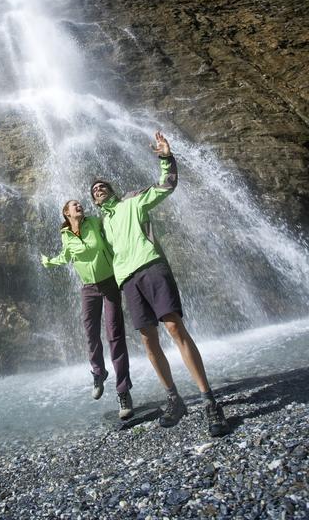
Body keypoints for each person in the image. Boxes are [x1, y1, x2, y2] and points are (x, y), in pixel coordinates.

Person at [90, 131, 230, 437]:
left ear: (112, 191)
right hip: (127, 280)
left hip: (151, 267)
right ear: (93, 200)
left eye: (103, 186)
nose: (98, 189)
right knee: (147, 340)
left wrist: (166, 156)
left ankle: (209, 401)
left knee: (174, 328)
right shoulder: (99, 225)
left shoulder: (132, 201)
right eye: (94, 190)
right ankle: (174, 399)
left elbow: (167, 185)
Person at [41, 200, 134, 419]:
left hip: (109, 281)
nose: (79, 205)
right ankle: (99, 373)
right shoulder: (66, 234)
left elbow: (111, 235)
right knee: (91, 334)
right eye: (73, 205)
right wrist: (49, 262)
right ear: (66, 212)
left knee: (115, 335)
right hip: (88, 289)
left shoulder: (94, 222)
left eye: (80, 203)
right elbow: (66, 256)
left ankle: (123, 392)